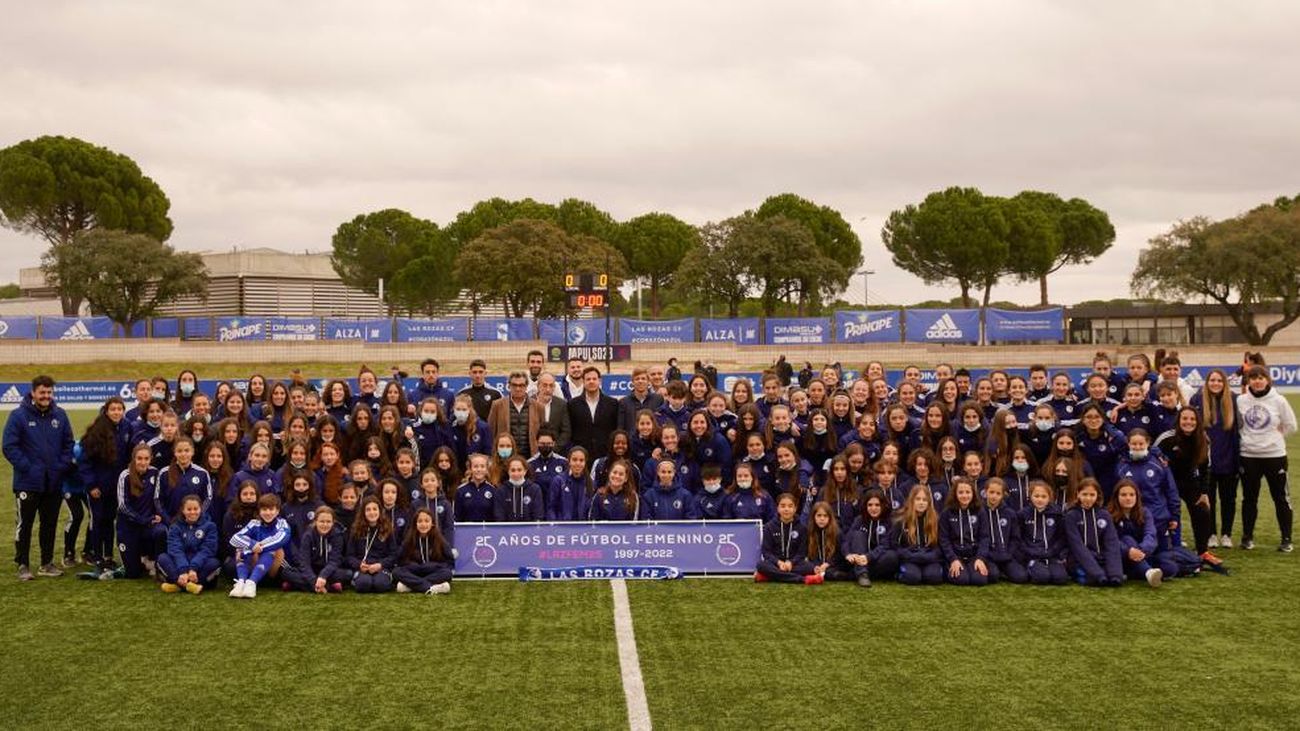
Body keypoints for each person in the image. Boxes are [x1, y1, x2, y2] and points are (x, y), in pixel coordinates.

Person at [3, 374, 75, 580]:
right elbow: (9, 446)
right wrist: (28, 467)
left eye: (49, 392)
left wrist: (61, 466)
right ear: (33, 392)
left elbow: (68, 445)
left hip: (53, 482)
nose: (46, 396)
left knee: (49, 524)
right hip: (27, 481)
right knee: (24, 524)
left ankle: (46, 563)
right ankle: (23, 564)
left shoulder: (60, 415)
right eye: (42, 392)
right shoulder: (18, 416)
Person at [1236, 365, 1296, 552]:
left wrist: (1275, 437)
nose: (1258, 380)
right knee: (1249, 499)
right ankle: (1247, 537)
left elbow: (1291, 425)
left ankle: (1286, 539)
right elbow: (1237, 425)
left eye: (1261, 377)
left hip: (1274, 456)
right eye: (1253, 377)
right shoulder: (1241, 400)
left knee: (1281, 498)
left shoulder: (1279, 400)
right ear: (1248, 381)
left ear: (1268, 380)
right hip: (1249, 456)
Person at [227, 493, 291, 598]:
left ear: (277, 511)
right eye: (264, 510)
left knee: (274, 549)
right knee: (241, 546)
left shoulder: (282, 523)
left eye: (271, 509)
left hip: (276, 568)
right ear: (259, 511)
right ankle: (241, 582)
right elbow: (234, 539)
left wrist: (256, 547)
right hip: (255, 564)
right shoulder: (254, 523)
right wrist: (252, 545)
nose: (268, 513)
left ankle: (252, 583)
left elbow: (280, 539)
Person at [1063, 478, 1124, 586]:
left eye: (1092, 495)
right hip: (1078, 560)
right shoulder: (1071, 516)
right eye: (1084, 494)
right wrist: (1097, 574)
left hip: (1100, 558)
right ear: (1078, 494)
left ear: (1097, 496)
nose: (1088, 498)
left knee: (1112, 577)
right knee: (1093, 580)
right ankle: (1094, 575)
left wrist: (1116, 575)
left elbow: (1112, 544)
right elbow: (1077, 547)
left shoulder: (1104, 515)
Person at [158, 495, 219, 594]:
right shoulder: (175, 526)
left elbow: (208, 549)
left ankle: (178, 585)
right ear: (183, 510)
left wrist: (193, 569)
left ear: (201, 509)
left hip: (199, 563)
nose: (193, 512)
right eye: (189, 509)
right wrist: (183, 570)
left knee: (214, 563)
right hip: (180, 563)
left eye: (196, 509)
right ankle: (189, 586)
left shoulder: (210, 526)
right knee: (162, 558)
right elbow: (175, 549)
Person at [280, 506, 347, 593]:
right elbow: (304, 563)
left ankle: (297, 585)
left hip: (328, 571)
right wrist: (314, 581)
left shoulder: (337, 536)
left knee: (347, 574)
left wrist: (323, 576)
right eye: (322, 521)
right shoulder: (308, 535)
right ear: (315, 521)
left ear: (333, 522)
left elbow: (334, 561)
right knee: (286, 573)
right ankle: (328, 587)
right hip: (311, 570)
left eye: (328, 522)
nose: (325, 525)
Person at [755, 492, 818, 584]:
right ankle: (802, 579)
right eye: (783, 506)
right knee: (761, 565)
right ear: (778, 508)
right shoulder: (769, 527)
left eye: (790, 506)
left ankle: (770, 576)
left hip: (794, 564)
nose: (786, 509)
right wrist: (779, 563)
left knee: (810, 567)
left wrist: (791, 563)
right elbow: (766, 552)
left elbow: (801, 553)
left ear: (795, 509)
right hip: (775, 564)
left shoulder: (802, 528)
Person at [938, 478, 989, 586]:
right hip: (955, 556)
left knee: (979, 580)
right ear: (955, 494)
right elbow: (944, 539)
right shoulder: (947, 513)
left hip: (973, 556)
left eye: (968, 492)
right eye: (960, 492)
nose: (964, 496)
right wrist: (953, 559)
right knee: (962, 580)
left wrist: (980, 558)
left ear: (973, 493)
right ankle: (947, 569)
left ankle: (971, 568)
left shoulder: (980, 511)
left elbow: (984, 537)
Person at [843, 488, 898, 588]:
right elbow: (847, 540)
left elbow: (885, 545)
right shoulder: (859, 520)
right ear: (865, 506)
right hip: (859, 556)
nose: (873, 508)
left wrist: (868, 557)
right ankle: (862, 574)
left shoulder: (889, 521)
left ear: (883, 505)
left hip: (876, 558)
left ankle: (857, 573)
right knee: (858, 535)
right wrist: (847, 554)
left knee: (892, 557)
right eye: (870, 505)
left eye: (877, 505)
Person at [890, 485, 944, 586]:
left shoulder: (936, 520)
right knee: (912, 578)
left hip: (929, 558)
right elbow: (894, 544)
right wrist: (909, 555)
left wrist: (931, 555)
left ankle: (926, 572)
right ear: (912, 501)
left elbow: (940, 545)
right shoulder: (901, 520)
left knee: (934, 578)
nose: (921, 503)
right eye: (918, 499)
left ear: (929, 502)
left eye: (924, 500)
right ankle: (900, 574)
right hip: (910, 557)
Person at [393, 507, 453, 595]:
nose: (423, 524)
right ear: (415, 524)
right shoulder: (409, 538)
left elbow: (450, 562)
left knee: (447, 573)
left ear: (432, 523)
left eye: (427, 521)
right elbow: (400, 560)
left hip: (432, 572)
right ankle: (431, 587)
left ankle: (411, 586)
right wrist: (413, 565)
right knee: (396, 572)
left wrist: (433, 566)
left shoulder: (439, 539)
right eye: (420, 521)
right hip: (414, 572)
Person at [1019, 481, 1069, 585]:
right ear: (1030, 496)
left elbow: (1062, 537)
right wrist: (1029, 552)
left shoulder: (1057, 513)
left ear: (1049, 497)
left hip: (1051, 555)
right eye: (1036, 496)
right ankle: (1031, 568)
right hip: (1032, 555)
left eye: (1043, 496)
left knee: (1061, 579)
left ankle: (1049, 567)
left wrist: (1054, 551)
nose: (1040, 499)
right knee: (1043, 577)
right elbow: (1019, 538)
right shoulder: (1022, 514)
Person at [346, 495, 398, 593]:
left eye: (375, 509)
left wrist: (381, 565)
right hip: (363, 568)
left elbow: (393, 555)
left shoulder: (387, 529)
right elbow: (349, 556)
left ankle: (386, 578)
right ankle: (357, 579)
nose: (372, 512)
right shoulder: (356, 530)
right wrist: (359, 565)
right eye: (368, 510)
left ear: (380, 511)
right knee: (363, 585)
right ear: (363, 513)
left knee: (380, 585)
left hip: (381, 567)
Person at [980, 478, 1026, 584]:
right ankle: (996, 569)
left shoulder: (1010, 513)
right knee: (992, 576)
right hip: (988, 556)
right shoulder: (980, 512)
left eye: (998, 493)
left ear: (1003, 495)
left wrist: (1008, 553)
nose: (994, 496)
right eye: (991, 492)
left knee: (1021, 577)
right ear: (985, 492)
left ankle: (1004, 569)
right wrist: (985, 555)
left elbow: (1015, 538)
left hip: (1006, 555)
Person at [568, 366, 619, 459]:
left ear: (600, 381)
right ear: (583, 382)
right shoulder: (573, 404)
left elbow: (615, 428)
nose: (591, 381)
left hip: (606, 455)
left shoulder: (612, 403)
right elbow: (570, 430)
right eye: (588, 379)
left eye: (594, 379)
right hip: (581, 456)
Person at [488, 371, 541, 459]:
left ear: (526, 386)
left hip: (530, 456)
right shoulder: (497, 405)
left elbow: (541, 434)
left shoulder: (538, 407)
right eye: (514, 385)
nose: (518, 388)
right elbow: (491, 432)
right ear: (509, 386)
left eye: (521, 385)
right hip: (504, 456)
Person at [618, 366, 664, 434]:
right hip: (632, 442)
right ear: (632, 382)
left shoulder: (658, 399)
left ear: (648, 382)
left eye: (643, 379)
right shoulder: (623, 402)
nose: (640, 381)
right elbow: (620, 428)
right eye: (637, 379)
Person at [534, 373, 572, 450]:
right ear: (538, 386)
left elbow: (566, 431)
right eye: (544, 385)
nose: (548, 389)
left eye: (551, 386)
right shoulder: (530, 403)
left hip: (556, 451)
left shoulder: (561, 405)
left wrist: (554, 448)